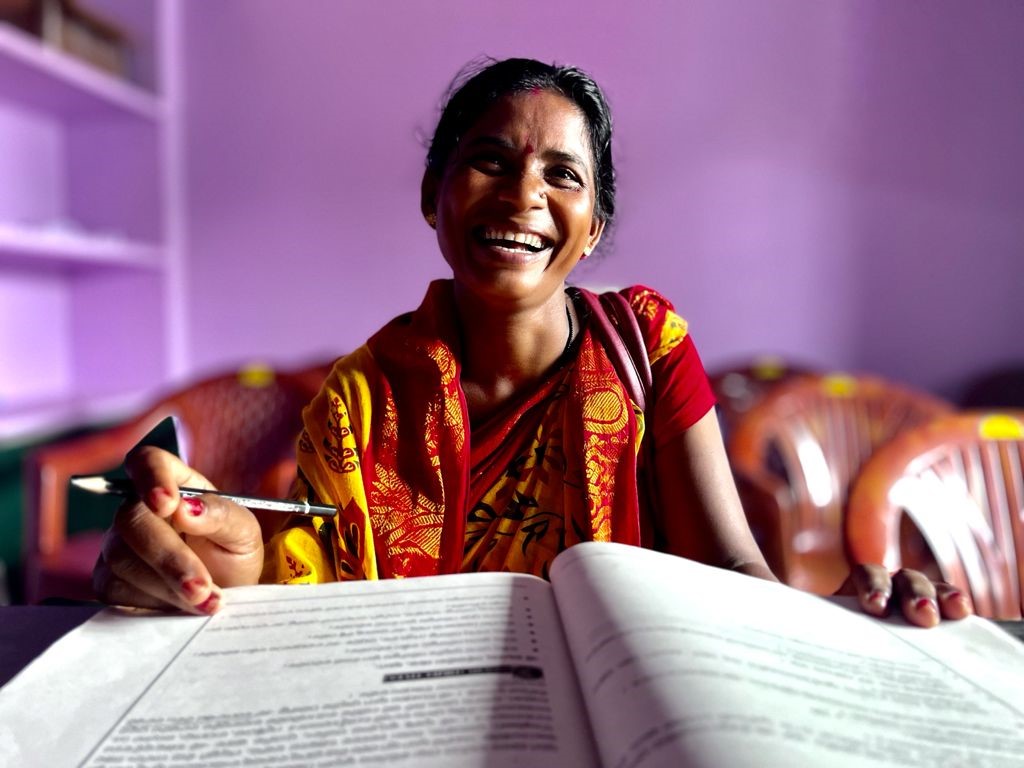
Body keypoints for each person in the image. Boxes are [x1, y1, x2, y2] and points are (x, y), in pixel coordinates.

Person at [92, 57, 971, 628]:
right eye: (490, 160)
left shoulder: (648, 348)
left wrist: (842, 624)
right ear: (435, 192)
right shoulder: (360, 397)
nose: (523, 195)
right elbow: (309, 594)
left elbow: (734, 570)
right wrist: (226, 555)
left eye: (563, 174)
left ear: (593, 229)